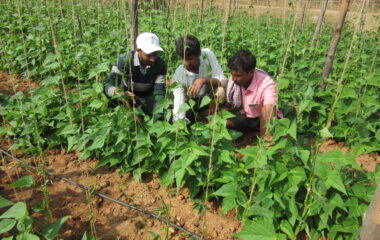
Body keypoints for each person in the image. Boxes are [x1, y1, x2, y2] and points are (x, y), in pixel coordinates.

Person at [104, 32, 167, 116]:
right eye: (148, 55)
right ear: (138, 51)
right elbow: (108, 85)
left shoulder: (160, 64)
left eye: (155, 54)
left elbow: (159, 93)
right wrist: (118, 93)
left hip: (148, 96)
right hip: (127, 96)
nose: (153, 59)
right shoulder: (125, 61)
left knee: (159, 113)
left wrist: (158, 113)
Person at [172, 35, 227, 124]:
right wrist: (179, 122)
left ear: (199, 54)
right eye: (183, 59)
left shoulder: (207, 56)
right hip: (191, 100)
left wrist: (203, 80)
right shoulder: (179, 73)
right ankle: (197, 118)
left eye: (190, 59)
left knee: (220, 91)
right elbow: (179, 100)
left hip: (209, 97)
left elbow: (223, 81)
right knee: (183, 117)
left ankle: (213, 122)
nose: (186, 63)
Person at [226, 50, 279, 141]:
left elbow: (270, 108)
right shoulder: (236, 81)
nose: (233, 79)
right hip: (246, 116)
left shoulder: (266, 83)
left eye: (238, 76)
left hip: (260, 120)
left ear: (251, 72)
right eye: (232, 75)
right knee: (224, 123)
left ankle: (264, 140)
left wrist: (267, 134)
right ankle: (251, 134)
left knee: (266, 109)